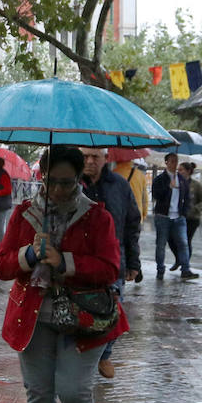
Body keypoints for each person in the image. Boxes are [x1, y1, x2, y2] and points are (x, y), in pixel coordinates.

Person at [0, 145, 129, 403]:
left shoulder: (98, 217)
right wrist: (28, 254)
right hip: (34, 316)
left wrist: (65, 261)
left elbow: (111, 268)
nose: (57, 190)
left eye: (67, 183)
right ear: (41, 176)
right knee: (38, 391)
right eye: (51, 181)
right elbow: (3, 265)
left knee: (72, 389)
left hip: (82, 320)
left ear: (79, 180)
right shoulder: (26, 214)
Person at [80, 147, 141, 379]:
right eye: (85, 157)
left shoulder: (119, 185)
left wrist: (134, 262)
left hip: (114, 259)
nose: (90, 161)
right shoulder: (74, 184)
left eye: (95, 157)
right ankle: (82, 355)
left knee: (112, 309)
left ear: (106, 159)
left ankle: (105, 354)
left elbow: (132, 224)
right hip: (80, 258)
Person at [151, 152, 199, 281]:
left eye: (176, 161)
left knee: (183, 243)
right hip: (163, 216)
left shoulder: (182, 179)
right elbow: (156, 195)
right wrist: (169, 188)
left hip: (179, 217)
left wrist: (184, 212)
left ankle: (185, 269)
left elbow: (187, 196)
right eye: (172, 161)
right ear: (166, 162)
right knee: (161, 245)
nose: (174, 164)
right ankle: (160, 270)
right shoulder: (160, 179)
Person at [111, 156, 149, 284]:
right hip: (136, 214)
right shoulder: (140, 175)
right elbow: (145, 197)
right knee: (133, 241)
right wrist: (144, 213)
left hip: (120, 215)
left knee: (121, 242)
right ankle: (135, 267)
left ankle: (131, 267)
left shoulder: (114, 174)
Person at [169, 161, 202, 272]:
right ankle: (179, 259)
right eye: (178, 170)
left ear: (188, 171)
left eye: (181, 170)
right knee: (171, 239)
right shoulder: (175, 182)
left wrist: (195, 208)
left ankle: (185, 264)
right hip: (176, 215)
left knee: (186, 241)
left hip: (192, 218)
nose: (179, 172)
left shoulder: (196, 185)